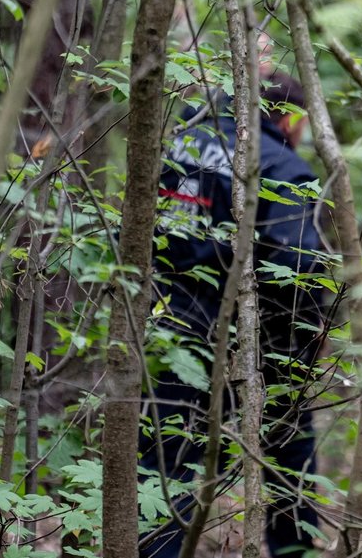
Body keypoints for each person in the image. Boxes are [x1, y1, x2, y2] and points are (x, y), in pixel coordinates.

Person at [141, 72, 323, 558]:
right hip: (253, 339)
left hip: (166, 324)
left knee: (165, 470)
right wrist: (296, 358)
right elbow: (298, 269)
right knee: (290, 465)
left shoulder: (182, 140)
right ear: (290, 119)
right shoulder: (282, 168)